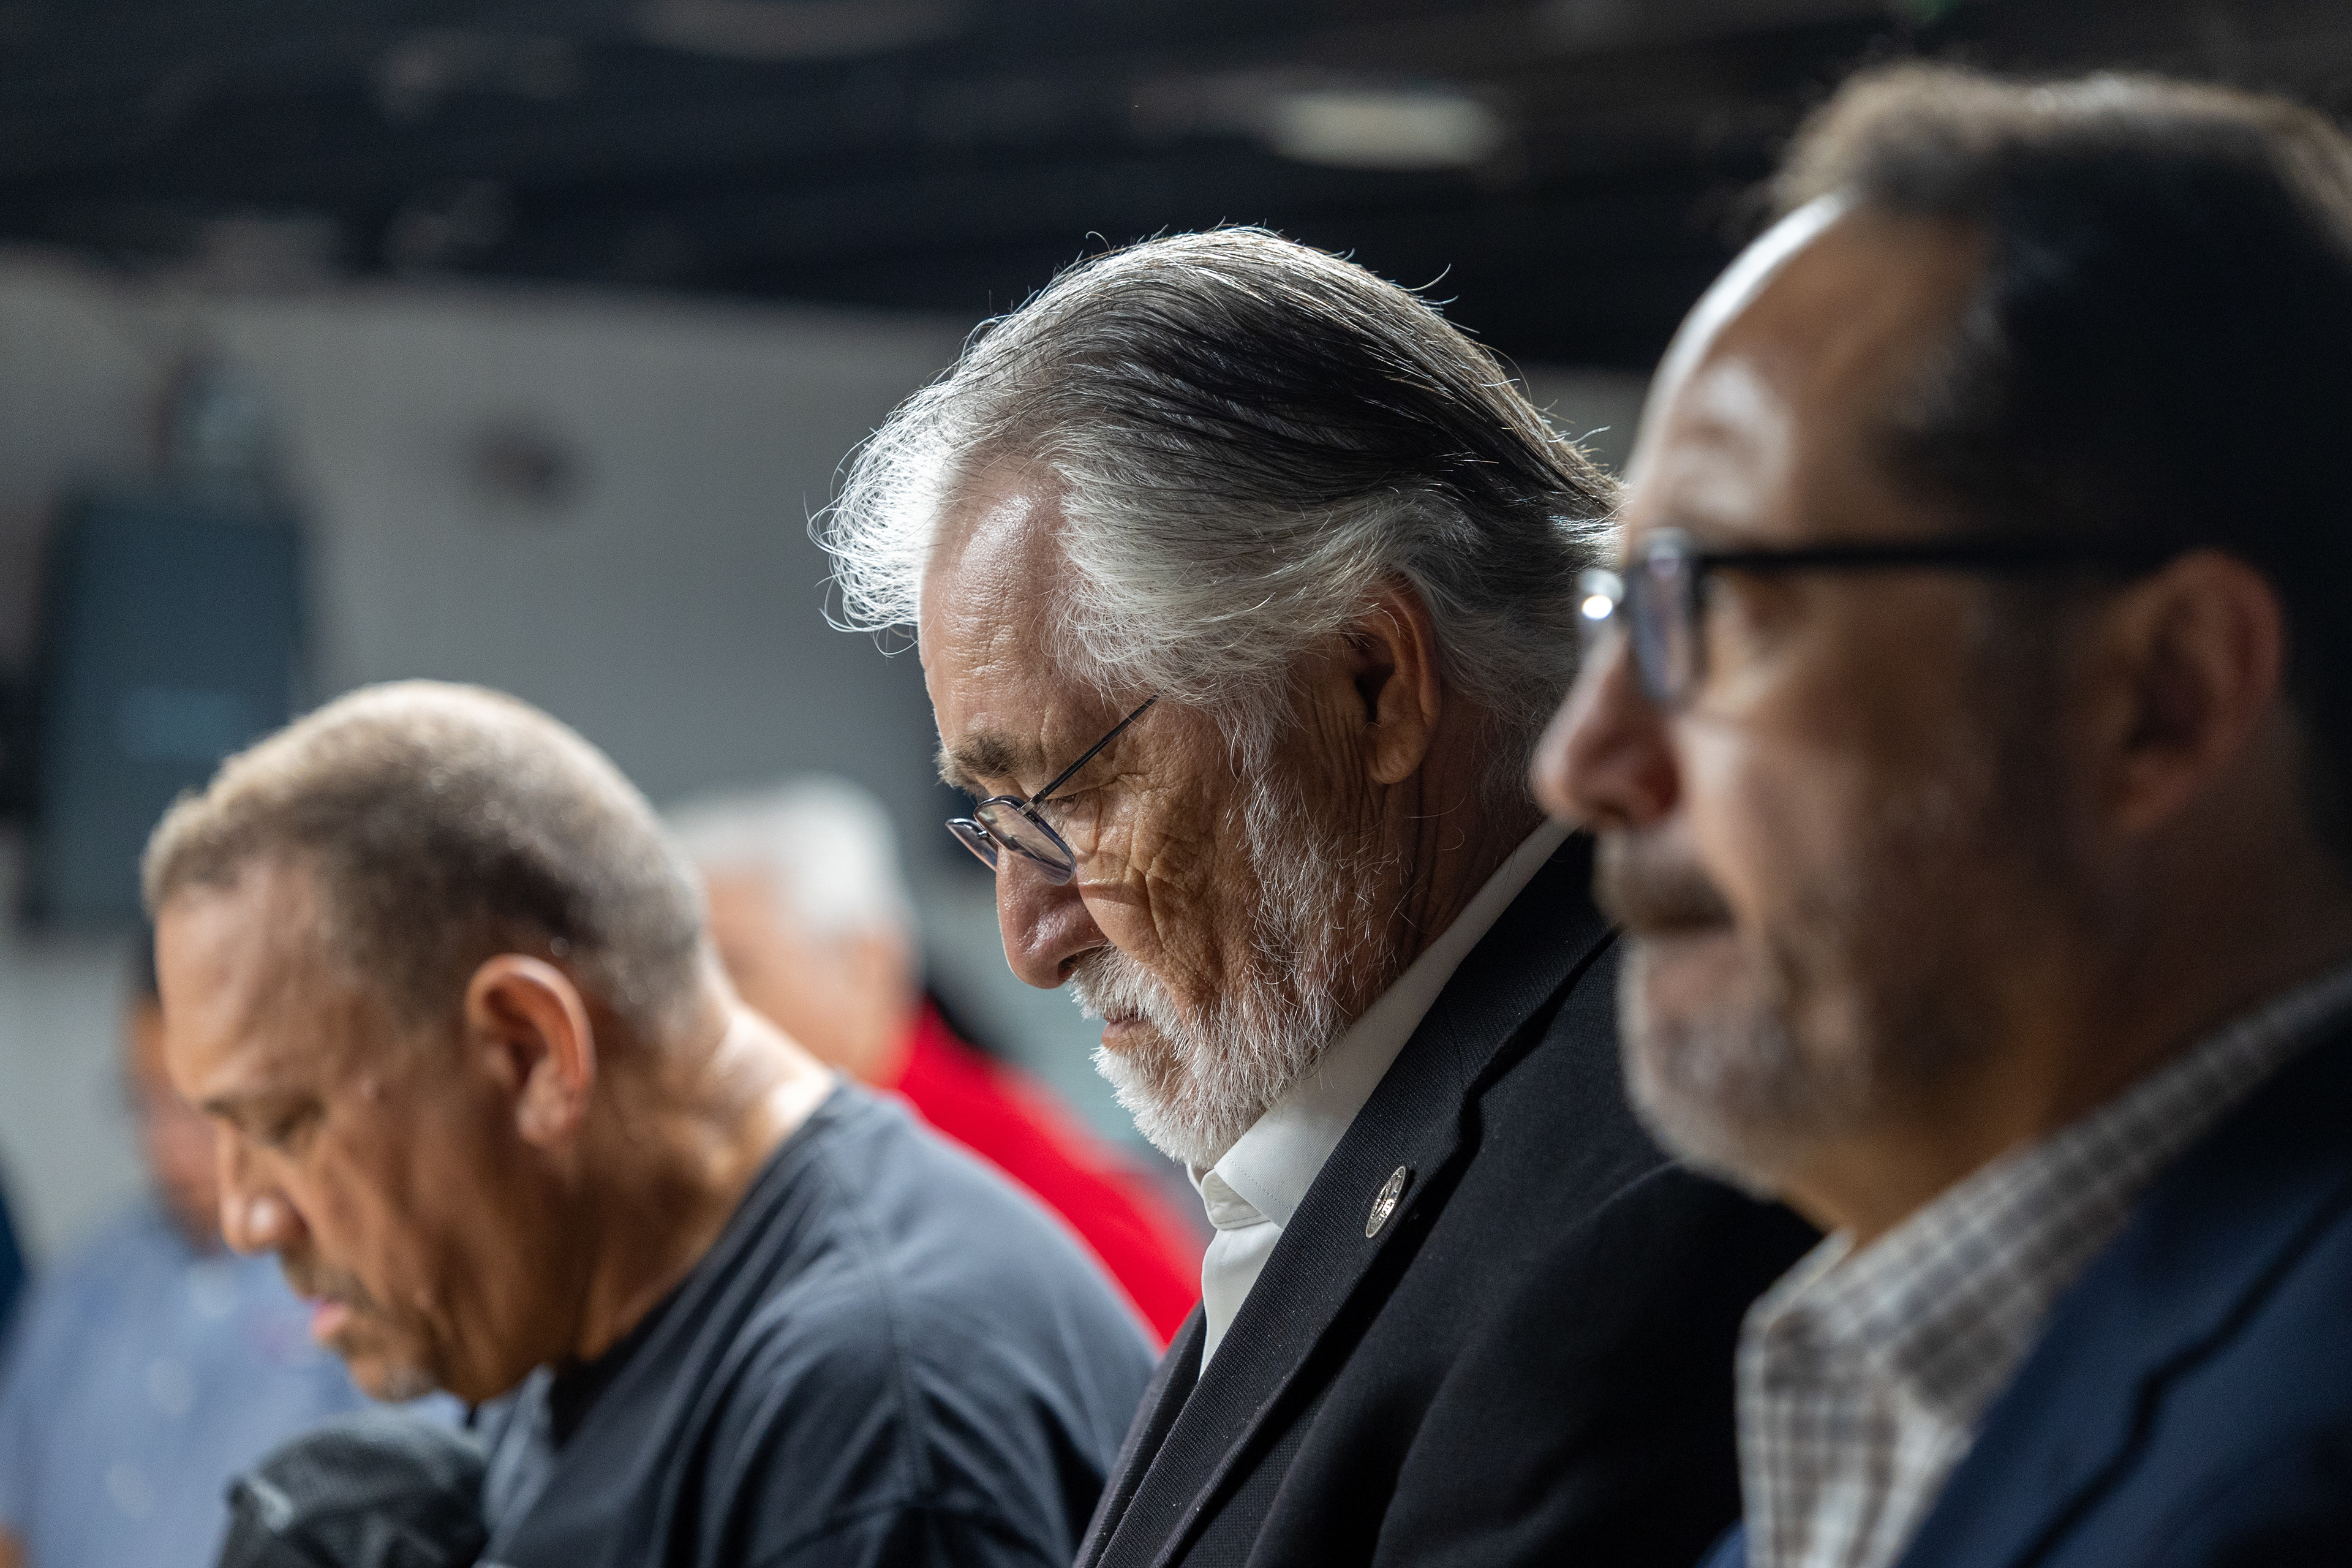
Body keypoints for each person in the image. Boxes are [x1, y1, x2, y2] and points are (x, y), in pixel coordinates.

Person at [819, 226, 1815, 1568]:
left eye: (1069, 798)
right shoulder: (1400, 1113)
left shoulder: (1631, 1203)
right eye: (999, 824)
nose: (1031, 938)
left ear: (1373, 683)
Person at [1536, 64, 2352, 1568]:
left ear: (2159, 697)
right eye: (1614, 607)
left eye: (1705, 606)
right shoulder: (1924, 1382)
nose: (1582, 761)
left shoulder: (2287, 1480)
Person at [143, 682, 1156, 1568]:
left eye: (282, 1125)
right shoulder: (597, 1290)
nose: (249, 1217)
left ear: (530, 1053)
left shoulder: (875, 1427)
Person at [668, 778, 1204, 1340]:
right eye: (677, 980)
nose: (693, 1014)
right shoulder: (726, 1162)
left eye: (733, 969)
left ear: (867, 962)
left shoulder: (1014, 1173)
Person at [0, 933, 381, 1568]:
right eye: (145, 1106)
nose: (170, 1149)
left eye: (198, 1111)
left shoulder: (364, 1288)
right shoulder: (86, 1282)